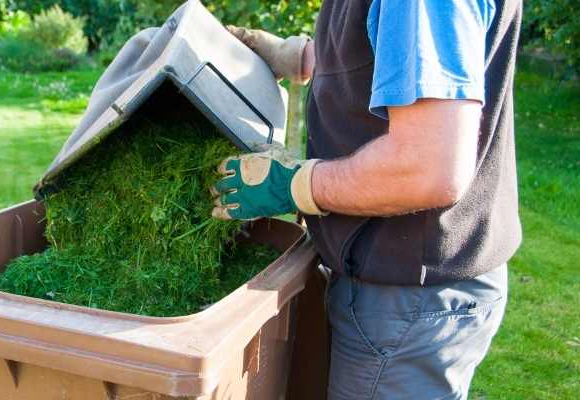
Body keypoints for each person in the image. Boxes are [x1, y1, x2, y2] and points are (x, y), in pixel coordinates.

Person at [211, 1, 522, 398]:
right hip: (400, 283)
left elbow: (427, 166)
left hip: (407, 299)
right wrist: (303, 56)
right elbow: (392, 52)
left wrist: (294, 185)